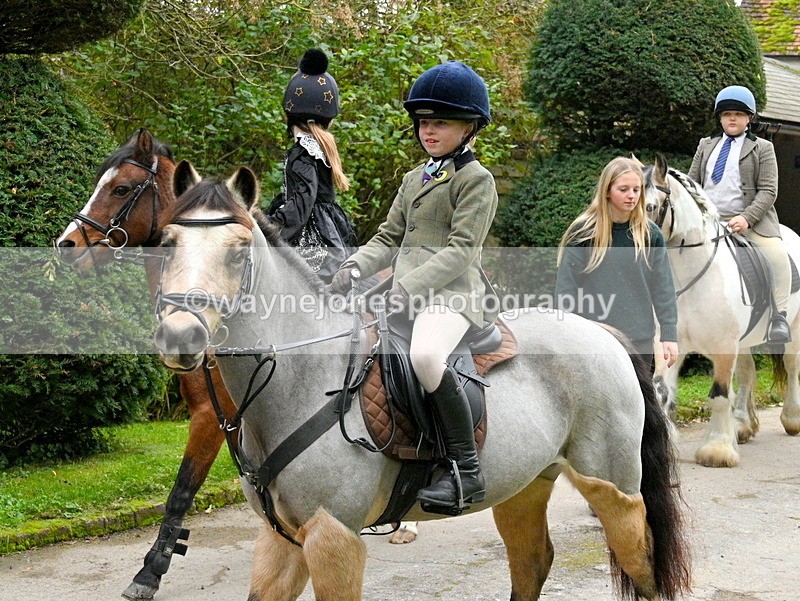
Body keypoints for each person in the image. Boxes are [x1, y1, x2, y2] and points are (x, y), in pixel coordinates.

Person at [330, 61, 497, 511]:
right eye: (424, 122)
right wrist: (353, 267)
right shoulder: (413, 178)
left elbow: (462, 250)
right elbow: (388, 237)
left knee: (425, 356)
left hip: (453, 296)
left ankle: (466, 470)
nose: (429, 130)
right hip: (405, 292)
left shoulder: (476, 180)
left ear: (469, 127)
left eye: (441, 122)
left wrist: (408, 288)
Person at [688, 84, 790, 343]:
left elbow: (768, 190)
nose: (732, 118)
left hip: (749, 223)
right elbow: (691, 184)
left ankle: (779, 316)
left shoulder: (763, 148)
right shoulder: (705, 145)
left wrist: (746, 218)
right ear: (720, 118)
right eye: (726, 114)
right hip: (709, 222)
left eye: (738, 114)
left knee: (777, 256)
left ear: (749, 119)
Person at [556, 157, 679, 370]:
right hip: (593, 338)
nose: (631, 196)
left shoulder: (651, 235)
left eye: (636, 190)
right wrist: (566, 335)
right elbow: (566, 290)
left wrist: (669, 334)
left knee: (641, 403)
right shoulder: (583, 233)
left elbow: (664, 290)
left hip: (639, 341)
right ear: (607, 191)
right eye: (623, 189)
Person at [267, 48, 358, 284]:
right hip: (329, 227)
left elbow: (301, 205)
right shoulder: (317, 148)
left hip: (313, 236)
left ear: (289, 114)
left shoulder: (303, 153)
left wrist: (270, 226)